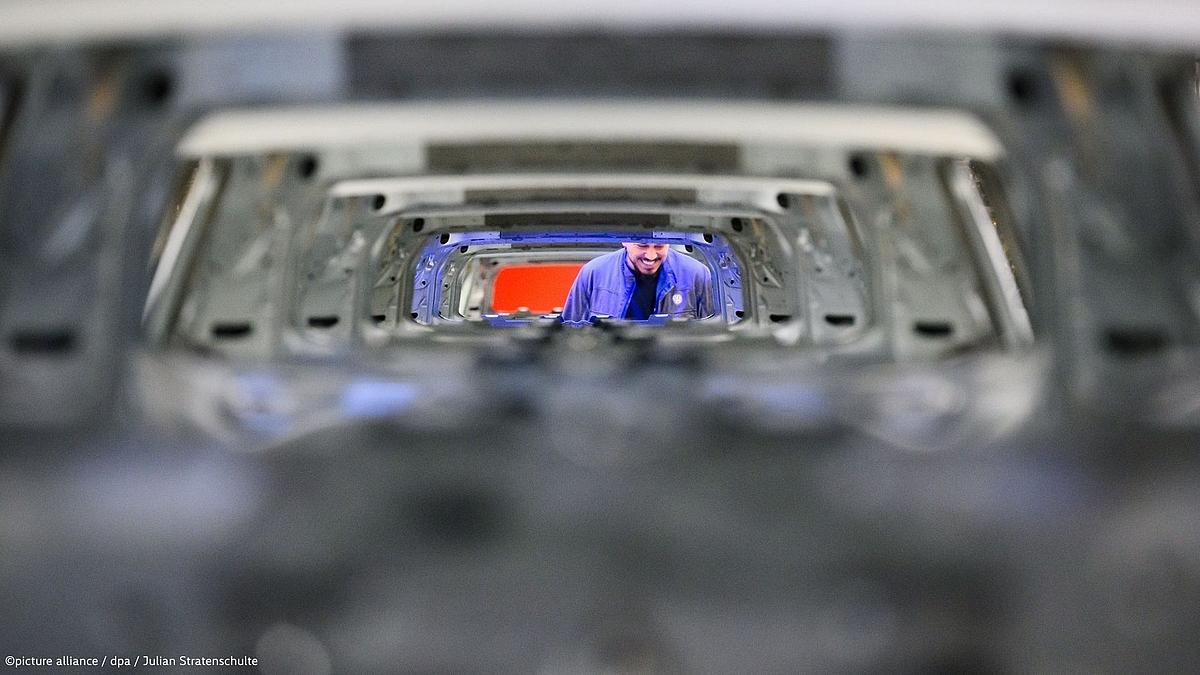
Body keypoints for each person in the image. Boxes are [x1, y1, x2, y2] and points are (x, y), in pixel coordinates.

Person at [561, 242, 714, 324]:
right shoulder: (593, 272)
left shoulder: (697, 274)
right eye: (642, 245)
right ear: (625, 241)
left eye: (659, 246)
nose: (651, 255)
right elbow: (568, 331)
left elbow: (715, 333)